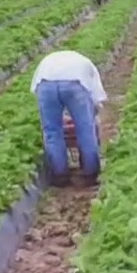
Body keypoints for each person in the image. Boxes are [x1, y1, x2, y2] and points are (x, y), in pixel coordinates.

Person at [31, 50, 107, 187]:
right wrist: (92, 113)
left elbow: (36, 89)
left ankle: (59, 175)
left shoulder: (50, 60)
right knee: (85, 129)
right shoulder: (87, 66)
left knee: (52, 131)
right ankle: (90, 174)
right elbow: (96, 98)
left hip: (45, 83)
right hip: (74, 83)